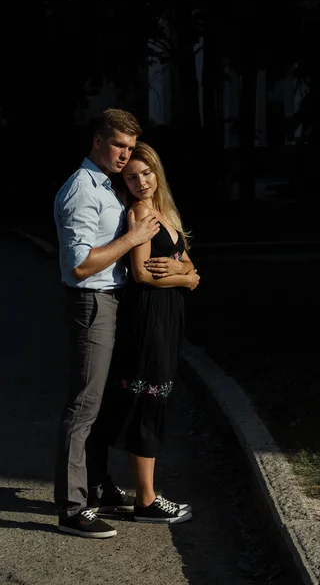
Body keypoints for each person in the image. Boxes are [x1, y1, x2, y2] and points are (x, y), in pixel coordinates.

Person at [53, 109, 160, 539]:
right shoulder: (82, 190)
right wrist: (131, 240)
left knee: (101, 404)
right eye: (118, 145)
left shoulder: (105, 186)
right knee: (83, 406)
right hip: (91, 303)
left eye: (131, 148)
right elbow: (78, 265)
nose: (125, 155)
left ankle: (95, 486)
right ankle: (72, 507)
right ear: (97, 140)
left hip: (111, 302)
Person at [95, 141, 200, 524]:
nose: (141, 182)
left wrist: (184, 274)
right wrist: (184, 278)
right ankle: (145, 500)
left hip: (168, 316)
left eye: (146, 173)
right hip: (149, 316)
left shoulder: (164, 211)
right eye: (131, 176)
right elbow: (141, 273)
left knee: (154, 397)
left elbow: (188, 264)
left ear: (157, 171)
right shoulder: (139, 213)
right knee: (147, 401)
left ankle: (109, 486)